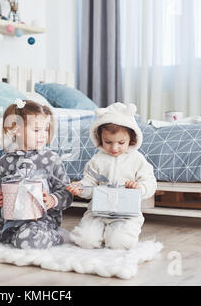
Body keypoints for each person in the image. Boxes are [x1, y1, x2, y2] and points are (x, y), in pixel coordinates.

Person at [0, 99, 73, 249]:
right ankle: (12, 235)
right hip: (8, 219)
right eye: (37, 130)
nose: (43, 135)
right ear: (16, 129)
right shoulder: (5, 161)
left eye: (46, 129)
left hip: (41, 220)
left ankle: (56, 236)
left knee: (29, 239)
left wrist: (53, 199)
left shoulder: (51, 159)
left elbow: (66, 193)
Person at [67, 102, 157, 250]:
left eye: (121, 142)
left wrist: (140, 187)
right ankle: (100, 233)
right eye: (108, 142)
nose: (114, 148)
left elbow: (150, 182)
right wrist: (81, 189)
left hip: (126, 213)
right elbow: (89, 183)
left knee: (119, 243)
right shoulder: (96, 160)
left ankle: (113, 234)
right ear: (99, 138)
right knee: (85, 240)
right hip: (97, 211)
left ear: (131, 139)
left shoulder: (137, 159)